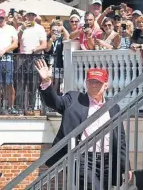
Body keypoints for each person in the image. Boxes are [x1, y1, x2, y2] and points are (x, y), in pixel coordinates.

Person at [34, 59, 132, 190]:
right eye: (91, 81)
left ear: (106, 85)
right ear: (86, 83)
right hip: (82, 159)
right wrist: (46, 82)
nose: (94, 85)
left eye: (98, 82)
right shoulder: (73, 99)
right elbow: (55, 102)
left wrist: (126, 166)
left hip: (108, 161)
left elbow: (120, 140)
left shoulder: (113, 107)